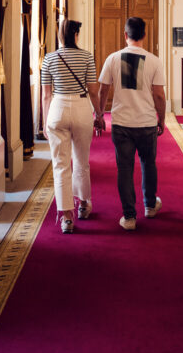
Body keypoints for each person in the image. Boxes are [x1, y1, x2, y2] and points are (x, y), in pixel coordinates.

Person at [97, 17, 167, 231]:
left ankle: (129, 217)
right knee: (148, 164)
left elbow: (103, 90)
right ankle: (150, 206)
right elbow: (159, 95)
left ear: (125, 35)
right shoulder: (154, 61)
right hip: (146, 122)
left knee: (125, 169)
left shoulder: (112, 58)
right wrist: (162, 118)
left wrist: (99, 115)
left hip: (121, 124)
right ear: (144, 35)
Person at [40, 19, 105, 234]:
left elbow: (46, 95)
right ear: (76, 35)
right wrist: (99, 114)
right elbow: (93, 91)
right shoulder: (86, 57)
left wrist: (45, 122)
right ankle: (83, 204)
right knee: (81, 161)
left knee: (60, 165)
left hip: (57, 109)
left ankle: (66, 217)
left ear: (60, 36)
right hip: (81, 107)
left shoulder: (49, 58)